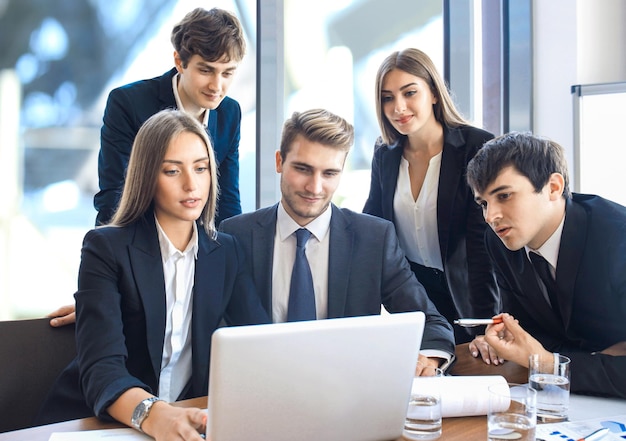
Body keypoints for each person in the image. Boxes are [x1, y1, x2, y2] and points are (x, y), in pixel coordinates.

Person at [35, 110, 270, 435]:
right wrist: (155, 414)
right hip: (97, 423)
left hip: (187, 419)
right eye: (173, 171)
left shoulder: (226, 252)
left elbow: (261, 345)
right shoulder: (105, 248)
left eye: (201, 168)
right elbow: (102, 369)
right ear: (147, 176)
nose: (192, 184)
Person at [219, 109, 456, 374]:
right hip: (259, 390)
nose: (315, 187)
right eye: (302, 169)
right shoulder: (236, 235)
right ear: (279, 162)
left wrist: (429, 359)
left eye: (329, 173)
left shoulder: (373, 240)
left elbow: (432, 323)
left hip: (347, 398)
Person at [466, 131, 626, 398]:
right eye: (483, 203)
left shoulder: (617, 239)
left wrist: (550, 364)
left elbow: (541, 353)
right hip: (565, 400)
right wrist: (508, 343)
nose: (491, 216)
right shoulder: (500, 242)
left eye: (504, 196)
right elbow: (531, 333)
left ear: (553, 187)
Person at [362, 48, 498, 343]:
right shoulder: (385, 154)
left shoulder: (478, 147)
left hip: (468, 295)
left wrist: (485, 326)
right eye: (388, 97)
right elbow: (372, 226)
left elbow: (482, 248)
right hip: (414, 298)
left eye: (409, 93)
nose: (398, 107)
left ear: (434, 93)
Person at [94, 7, 245, 226]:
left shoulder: (229, 113)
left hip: (196, 248)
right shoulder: (128, 104)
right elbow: (114, 199)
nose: (217, 86)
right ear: (179, 62)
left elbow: (227, 203)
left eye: (227, 73)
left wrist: (233, 255)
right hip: (133, 243)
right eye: (205, 70)